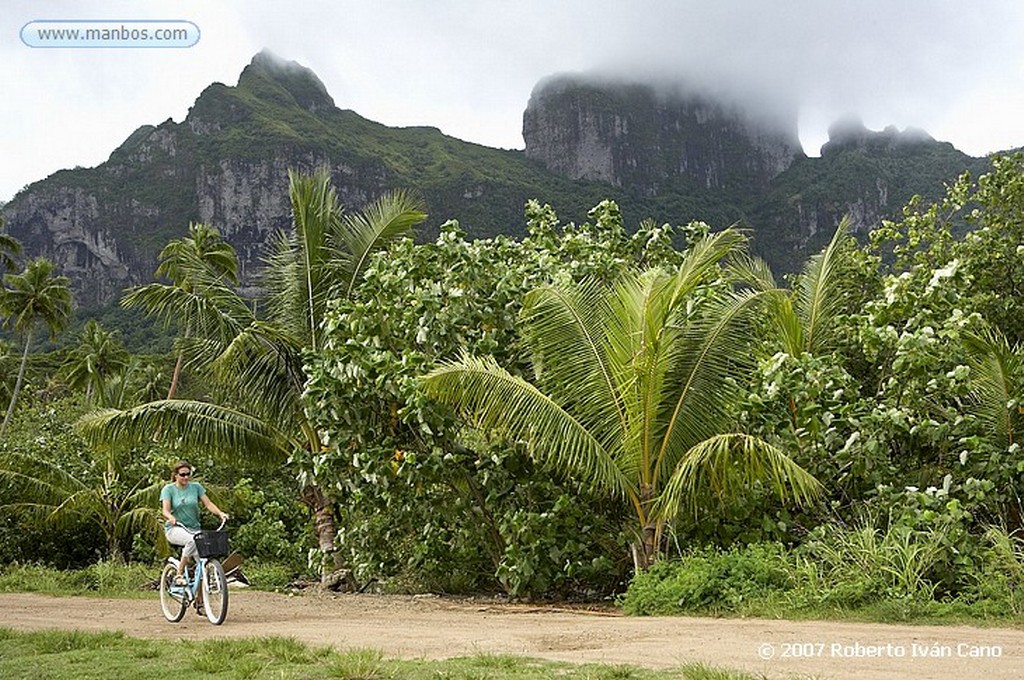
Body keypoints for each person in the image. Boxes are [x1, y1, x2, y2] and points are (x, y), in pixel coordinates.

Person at [160, 460, 228, 586]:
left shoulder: (196, 487)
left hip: (194, 529)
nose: (186, 477)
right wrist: (170, 517)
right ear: (176, 475)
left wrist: (220, 513)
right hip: (175, 528)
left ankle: (200, 601)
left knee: (203, 562)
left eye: (188, 474)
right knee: (192, 540)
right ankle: (179, 574)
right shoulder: (168, 489)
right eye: (182, 474)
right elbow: (165, 510)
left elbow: (208, 504)